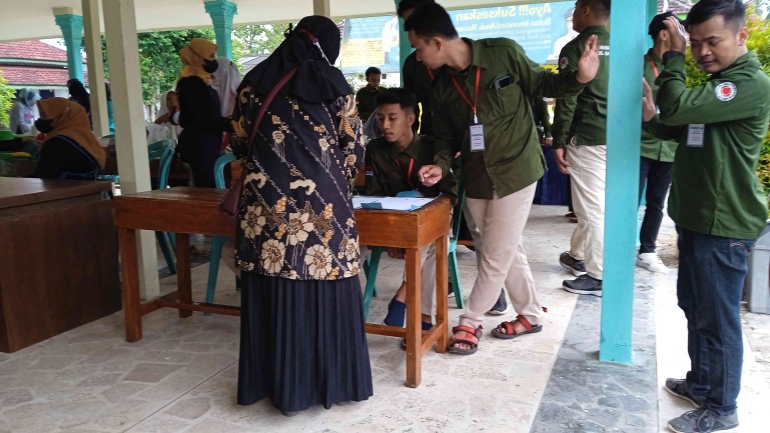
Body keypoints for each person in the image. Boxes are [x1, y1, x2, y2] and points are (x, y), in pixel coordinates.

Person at [406, 2, 599, 354]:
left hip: (516, 168)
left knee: (495, 253)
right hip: (477, 174)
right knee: (500, 246)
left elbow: (545, 83)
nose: (417, 57)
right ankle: (530, 314)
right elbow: (446, 138)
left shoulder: (503, 53)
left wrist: (579, 78)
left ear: (436, 42)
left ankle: (471, 322)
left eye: (418, 48)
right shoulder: (442, 87)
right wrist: (440, 164)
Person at [230, 15, 371, 415]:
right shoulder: (336, 85)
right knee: (325, 286)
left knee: (272, 285)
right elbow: (353, 153)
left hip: (265, 210)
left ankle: (271, 385)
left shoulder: (253, 83)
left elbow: (241, 143)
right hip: (324, 212)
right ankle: (333, 384)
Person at [654, 1, 770, 431]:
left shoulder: (747, 84)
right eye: (695, 42)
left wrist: (671, 58)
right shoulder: (719, 85)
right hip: (700, 218)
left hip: (724, 224)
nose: (701, 51)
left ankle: (722, 408)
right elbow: (677, 124)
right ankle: (703, 384)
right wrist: (656, 113)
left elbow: (678, 109)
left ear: (741, 36)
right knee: (695, 306)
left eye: (712, 41)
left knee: (718, 321)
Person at [364, 88, 458, 336]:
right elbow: (372, 194)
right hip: (394, 221)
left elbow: (451, 195)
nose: (385, 125)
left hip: (433, 219)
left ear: (410, 119)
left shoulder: (432, 149)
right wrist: (389, 234)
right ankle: (424, 320)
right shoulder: (376, 150)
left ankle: (403, 297)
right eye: (381, 118)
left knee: (429, 233)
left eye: (392, 118)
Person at [552, 0, 611, 297]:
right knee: (598, 203)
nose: (574, 15)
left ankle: (599, 276)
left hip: (588, 136)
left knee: (592, 210)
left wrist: (559, 139)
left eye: (575, 8)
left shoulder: (576, 47)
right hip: (620, 138)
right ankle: (576, 255)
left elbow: (568, 97)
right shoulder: (626, 44)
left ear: (586, 9)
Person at [636, 12, 682, 274]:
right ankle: (618, 247)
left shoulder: (677, 67)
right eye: (678, 30)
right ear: (664, 33)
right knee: (630, 200)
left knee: (656, 203)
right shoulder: (640, 66)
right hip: (641, 145)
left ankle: (648, 250)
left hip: (669, 149)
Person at [175, 38, 234, 188]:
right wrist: (234, 125)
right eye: (211, 56)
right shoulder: (193, 83)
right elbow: (205, 119)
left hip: (206, 144)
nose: (214, 61)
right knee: (206, 191)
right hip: (200, 147)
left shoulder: (202, 81)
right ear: (198, 58)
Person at [31, 98, 105, 179]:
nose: (41, 120)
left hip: (66, 189)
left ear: (63, 117)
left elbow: (44, 176)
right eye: (42, 115)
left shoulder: (58, 143)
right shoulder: (82, 139)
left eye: (45, 116)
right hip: (85, 189)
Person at [398, 0, 437, 136]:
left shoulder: (460, 60)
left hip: (468, 141)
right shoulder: (412, 63)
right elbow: (411, 107)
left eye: (414, 22)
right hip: (432, 137)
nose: (411, 29)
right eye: (407, 24)